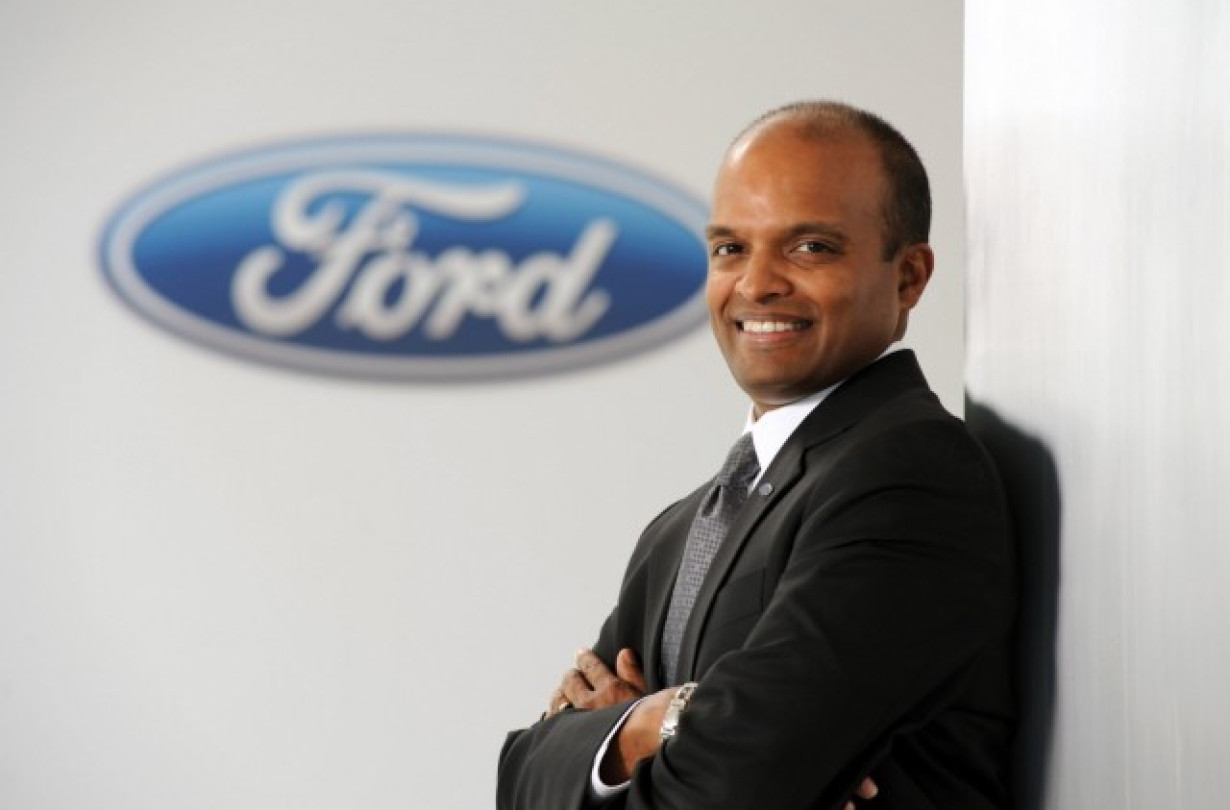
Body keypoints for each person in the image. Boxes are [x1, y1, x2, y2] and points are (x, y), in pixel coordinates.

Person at [497, 101, 1015, 810]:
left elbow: (739, 786)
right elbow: (522, 781)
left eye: (811, 247)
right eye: (730, 249)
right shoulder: (679, 528)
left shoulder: (912, 473)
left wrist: (636, 731)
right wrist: (644, 729)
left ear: (908, 277)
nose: (757, 283)